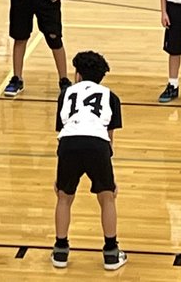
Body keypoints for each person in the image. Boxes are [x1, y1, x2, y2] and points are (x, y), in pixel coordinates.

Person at [51, 50, 126, 271]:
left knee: (63, 197)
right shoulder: (111, 96)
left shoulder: (65, 93)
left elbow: (63, 126)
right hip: (97, 144)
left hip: (69, 143)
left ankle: (60, 250)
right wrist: (108, 180)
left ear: (78, 74)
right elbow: (110, 142)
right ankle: (111, 252)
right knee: (107, 198)